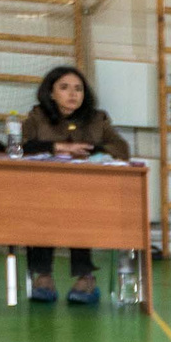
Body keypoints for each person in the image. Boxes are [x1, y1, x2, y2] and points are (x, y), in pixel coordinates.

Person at [20, 64, 130, 305]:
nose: (72, 94)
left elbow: (122, 148)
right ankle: (43, 276)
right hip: (45, 190)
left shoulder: (97, 119)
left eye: (78, 89)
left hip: (87, 192)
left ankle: (85, 277)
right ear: (50, 93)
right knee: (40, 209)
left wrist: (90, 150)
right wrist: (56, 147)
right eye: (65, 88)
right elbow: (20, 146)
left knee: (80, 210)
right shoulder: (37, 117)